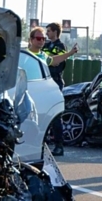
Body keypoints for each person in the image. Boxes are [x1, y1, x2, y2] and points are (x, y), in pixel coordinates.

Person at [27, 26, 78, 156]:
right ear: (31, 39)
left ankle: (57, 146)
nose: (42, 41)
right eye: (38, 38)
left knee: (54, 115)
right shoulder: (25, 55)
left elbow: (55, 61)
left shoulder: (44, 54)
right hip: (30, 89)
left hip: (50, 86)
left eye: (43, 38)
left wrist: (70, 53)